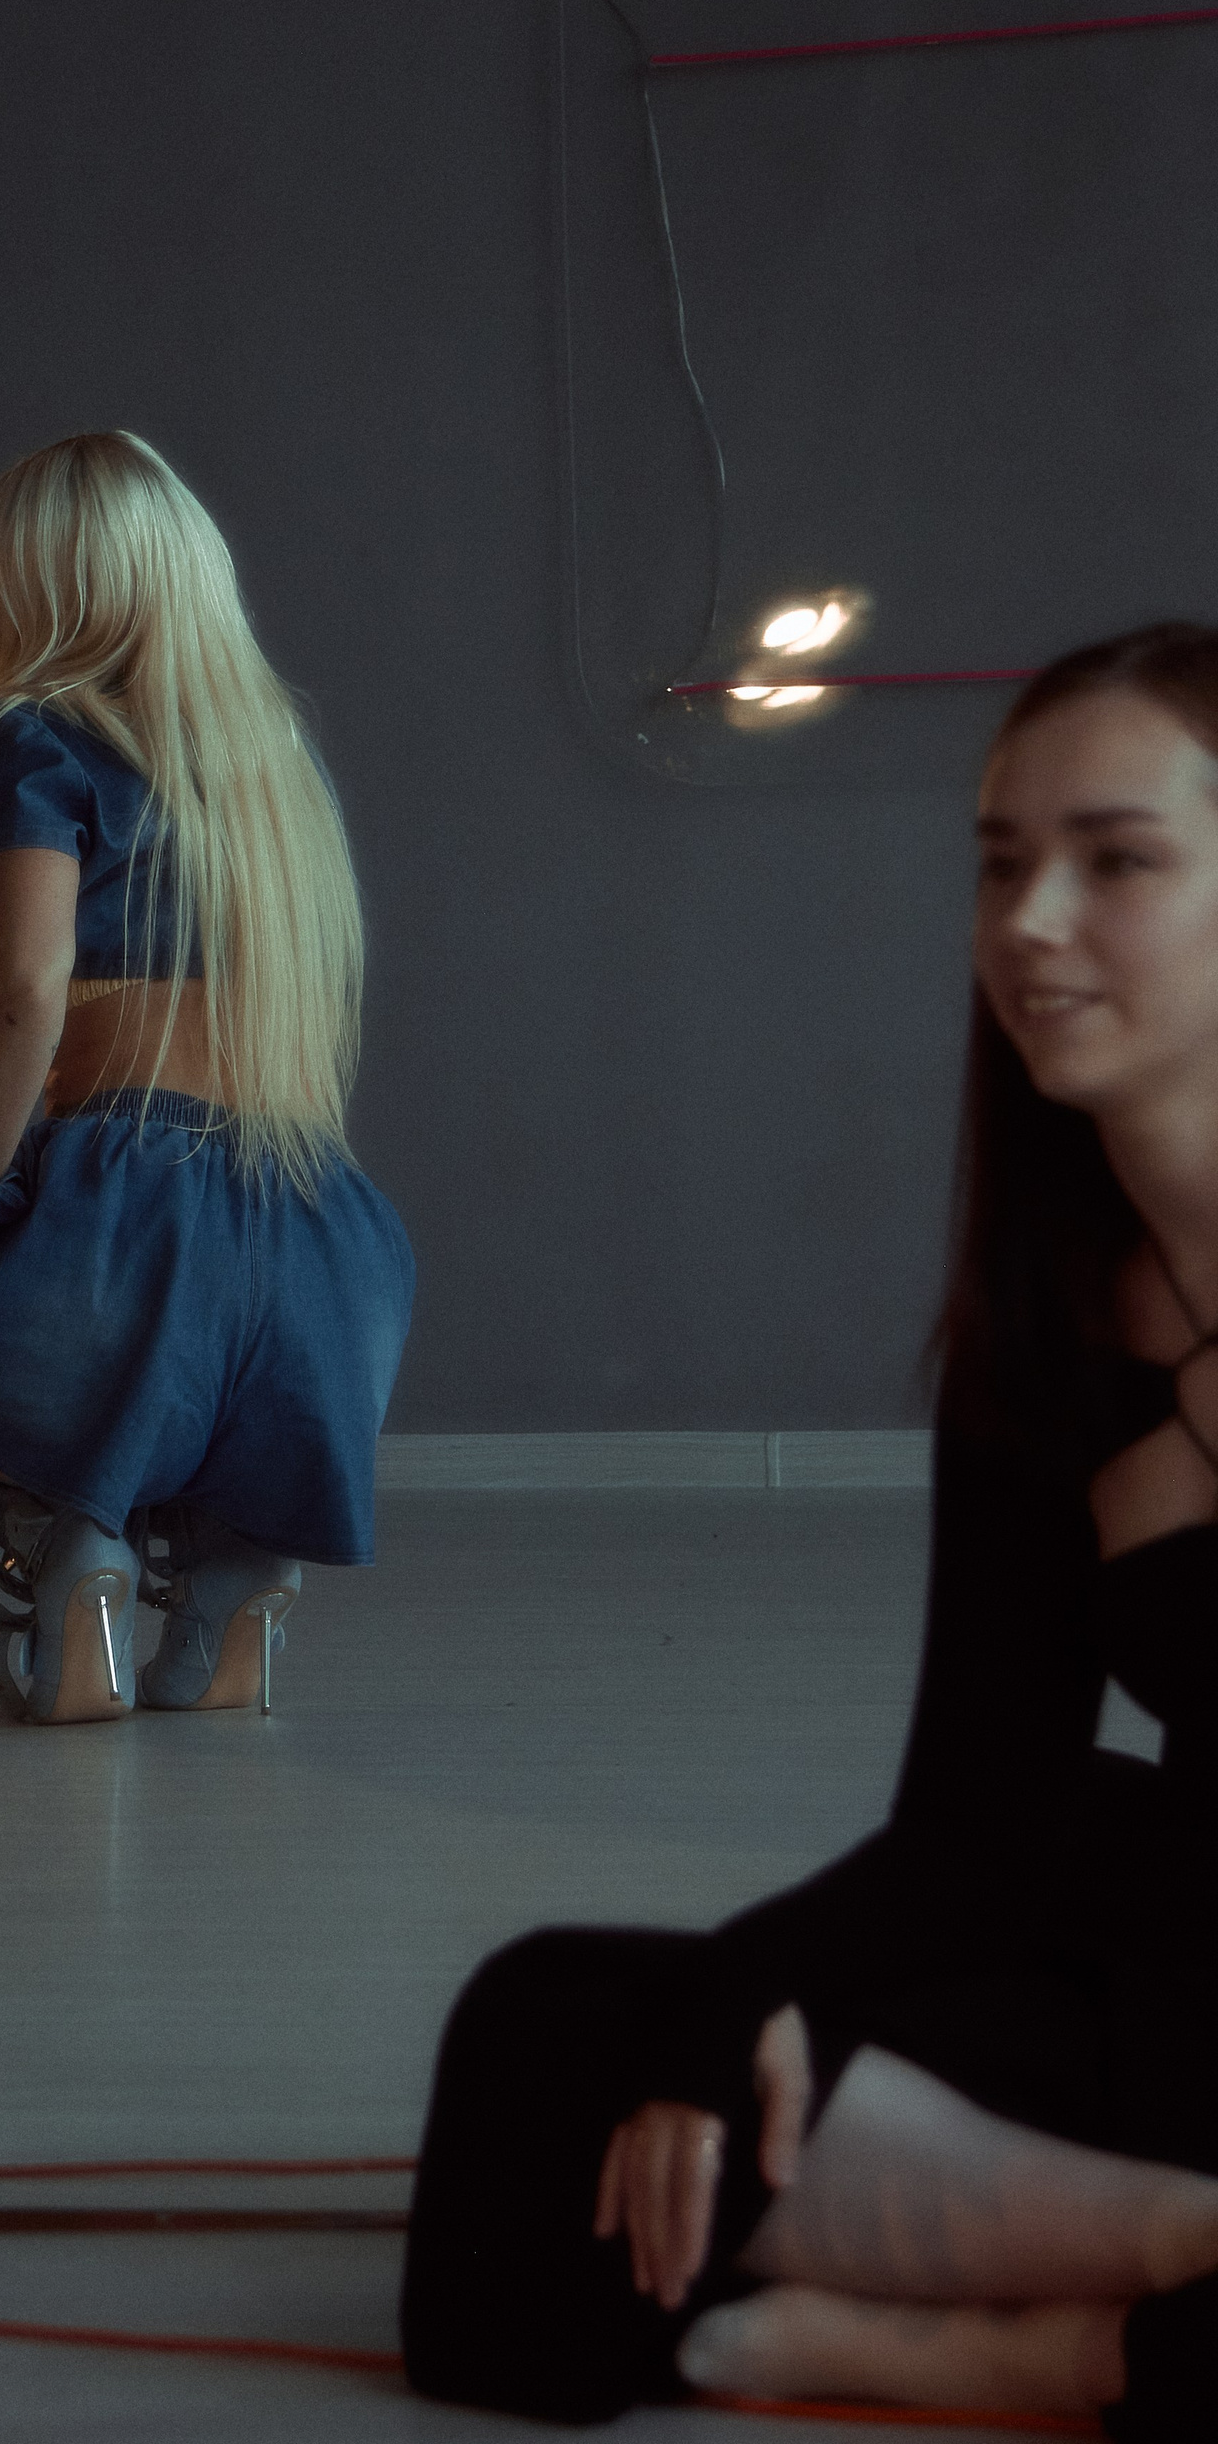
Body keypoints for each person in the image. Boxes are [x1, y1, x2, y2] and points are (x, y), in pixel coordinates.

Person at [400, 624, 1218, 2439]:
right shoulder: (1050, 1326)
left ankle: (1060, 2350)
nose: (1029, 923)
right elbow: (979, 1814)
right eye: (1000, 864)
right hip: (1180, 1965)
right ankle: (1167, 2264)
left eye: (1117, 862)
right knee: (559, 2037)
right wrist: (747, 1991)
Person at [0, 429, 413, 1724]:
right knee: (194, 1367)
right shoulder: (273, 768)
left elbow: (24, 988)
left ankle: (71, 1563)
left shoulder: (30, 736)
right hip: (331, 1256)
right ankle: (236, 1586)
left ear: (30, 584)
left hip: (125, 1228)